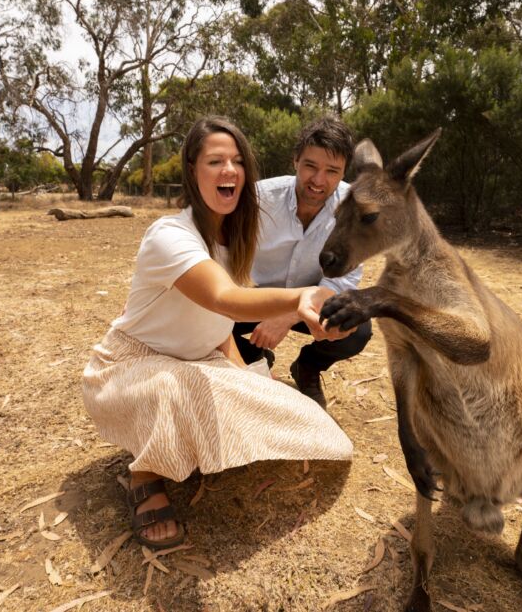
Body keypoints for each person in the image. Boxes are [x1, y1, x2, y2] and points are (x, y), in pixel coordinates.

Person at [82, 116, 354, 550]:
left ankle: (203, 424)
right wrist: (296, 299)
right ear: (193, 171)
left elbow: (219, 326)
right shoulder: (170, 235)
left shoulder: (232, 238)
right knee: (176, 387)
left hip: (200, 359)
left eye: (236, 161)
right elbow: (224, 299)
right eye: (215, 161)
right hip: (130, 369)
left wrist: (252, 380)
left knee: (312, 425)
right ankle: (144, 475)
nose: (229, 170)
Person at [233, 116, 372, 408]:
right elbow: (217, 252)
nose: (319, 181)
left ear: (344, 171)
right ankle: (253, 355)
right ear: (295, 160)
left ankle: (308, 366)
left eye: (332, 171)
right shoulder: (257, 199)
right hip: (260, 296)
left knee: (357, 328)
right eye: (310, 166)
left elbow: (340, 280)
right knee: (205, 318)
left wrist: (289, 315)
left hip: (314, 298)